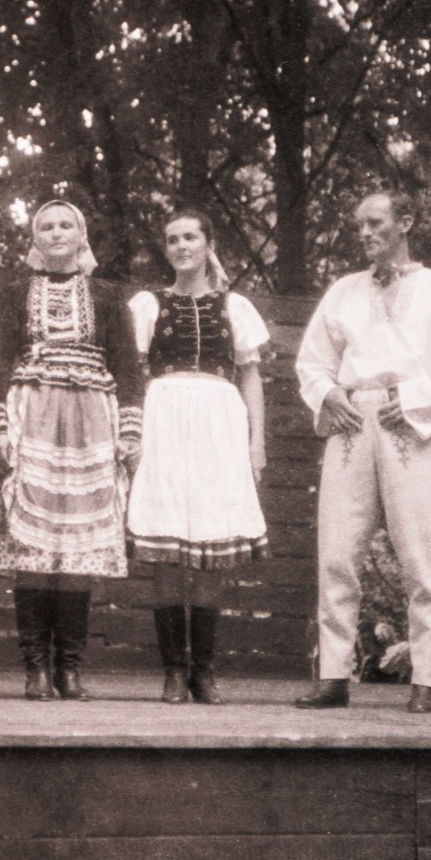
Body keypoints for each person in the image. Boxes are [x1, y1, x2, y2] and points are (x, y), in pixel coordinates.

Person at [294, 191, 431, 714]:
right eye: (359, 226)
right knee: (338, 551)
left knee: (422, 554)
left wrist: (419, 401)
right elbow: (312, 362)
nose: (365, 233)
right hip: (354, 420)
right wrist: (330, 395)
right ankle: (333, 675)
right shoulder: (343, 292)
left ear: (406, 222)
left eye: (375, 223)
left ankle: (425, 679)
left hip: (409, 425)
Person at [0, 199, 142, 701]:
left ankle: (69, 666)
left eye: (65, 224)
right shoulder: (13, 294)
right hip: (33, 418)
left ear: (81, 235)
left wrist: (130, 430)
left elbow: (130, 368)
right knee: (33, 547)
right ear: (35, 238)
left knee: (77, 551)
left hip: (92, 422)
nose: (56, 232)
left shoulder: (110, 296)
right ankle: (35, 668)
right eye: (46, 225)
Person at [126, 209, 270, 704]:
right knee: (167, 545)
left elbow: (250, 374)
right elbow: (135, 373)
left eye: (190, 237)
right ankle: (172, 669)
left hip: (219, 424)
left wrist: (257, 443)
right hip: (163, 420)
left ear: (208, 243)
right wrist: (133, 433)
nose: (181, 246)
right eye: (172, 239)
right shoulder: (149, 304)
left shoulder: (236, 307)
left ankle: (203, 670)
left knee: (210, 544)